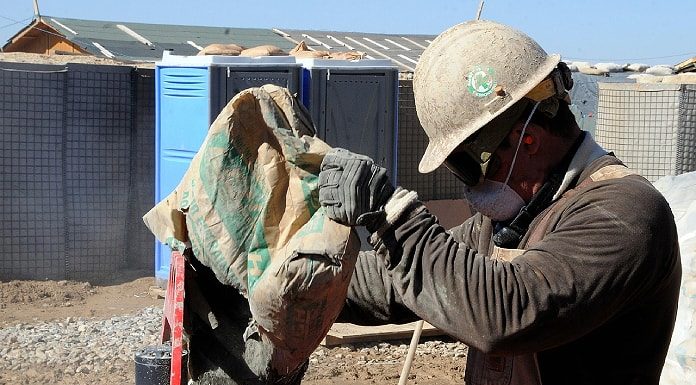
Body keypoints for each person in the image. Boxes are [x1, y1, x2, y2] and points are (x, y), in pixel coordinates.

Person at [318, 20, 681, 385]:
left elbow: (506, 311)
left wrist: (390, 214)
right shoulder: (518, 217)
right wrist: (295, 276)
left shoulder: (625, 213)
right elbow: (398, 279)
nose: (468, 185)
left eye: (465, 164)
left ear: (529, 141)